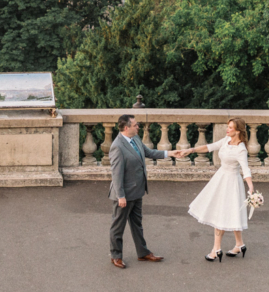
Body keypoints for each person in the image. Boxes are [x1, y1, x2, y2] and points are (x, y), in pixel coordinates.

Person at [108, 113, 189, 268]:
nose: (138, 126)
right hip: (124, 195)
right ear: (126, 127)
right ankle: (115, 256)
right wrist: (121, 196)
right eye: (135, 125)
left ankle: (143, 253)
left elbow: (150, 153)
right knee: (118, 226)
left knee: (137, 224)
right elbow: (116, 174)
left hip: (137, 191)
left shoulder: (136, 139)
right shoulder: (117, 147)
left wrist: (171, 153)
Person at [187, 118, 256, 262]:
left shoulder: (241, 149)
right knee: (232, 213)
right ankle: (239, 244)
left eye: (230, 128)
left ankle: (215, 250)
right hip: (220, 179)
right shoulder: (226, 140)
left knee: (221, 214)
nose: (227, 129)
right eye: (228, 127)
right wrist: (191, 150)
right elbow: (209, 147)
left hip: (231, 183)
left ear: (238, 131)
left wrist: (250, 186)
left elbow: (245, 169)